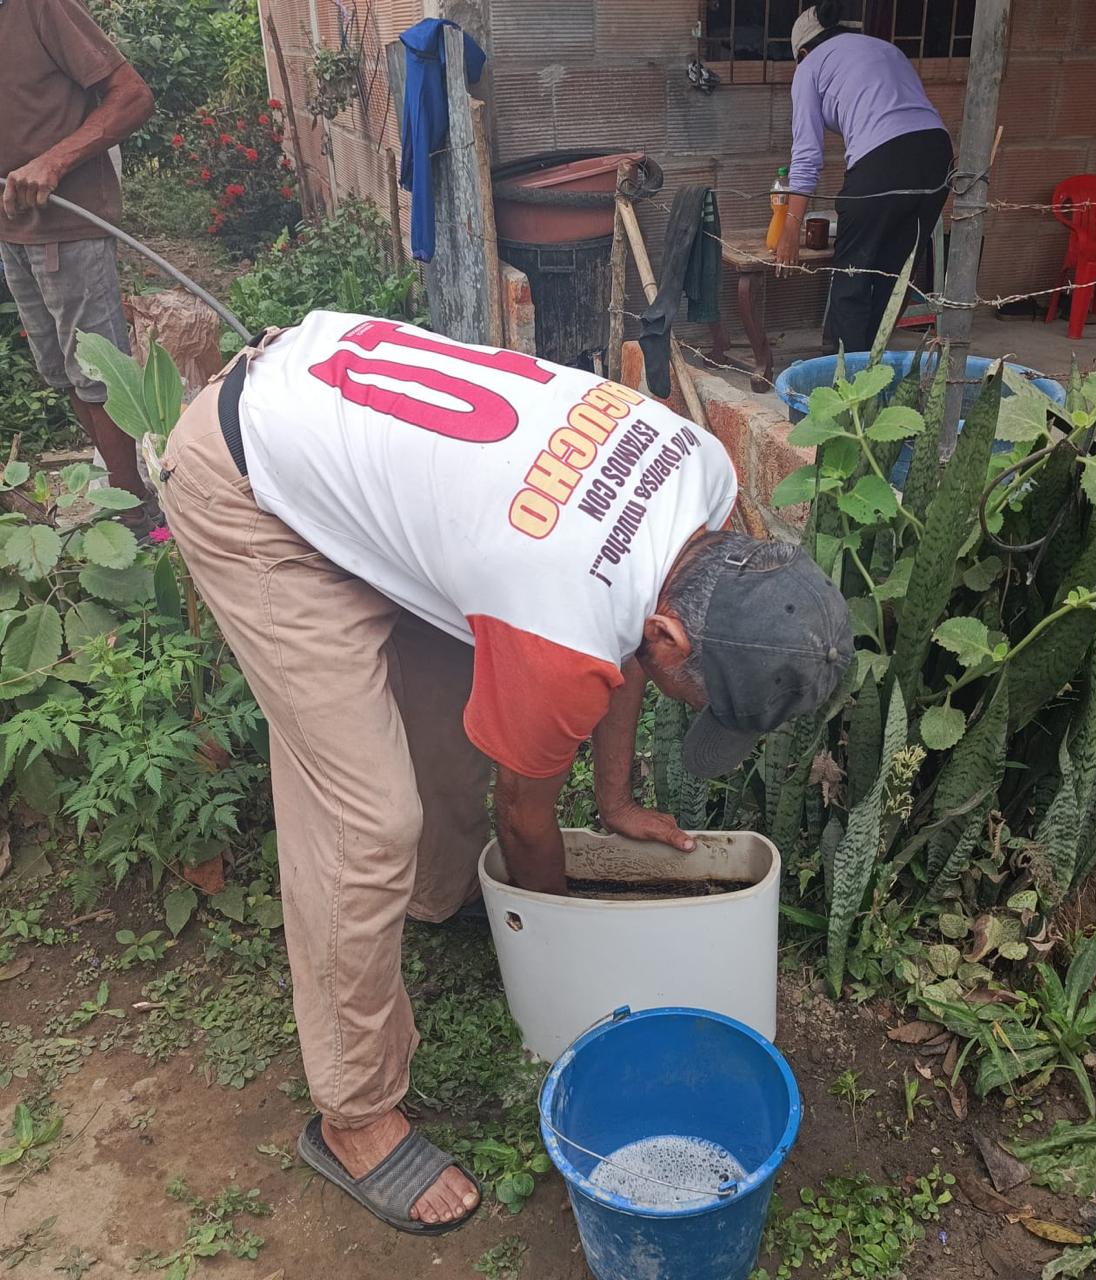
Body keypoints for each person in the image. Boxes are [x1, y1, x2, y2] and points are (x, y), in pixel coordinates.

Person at [160, 311, 854, 1237]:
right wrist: (558, 942)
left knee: (455, 715)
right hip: (251, 488)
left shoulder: (701, 472)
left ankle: (436, 897)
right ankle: (353, 1114)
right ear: (677, 635)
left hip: (350, 424)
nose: (690, 706)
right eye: (700, 698)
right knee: (367, 819)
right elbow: (524, 813)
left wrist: (614, 801)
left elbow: (628, 626)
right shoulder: (559, 622)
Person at [0, 0, 155, 515]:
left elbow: (133, 96)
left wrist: (53, 161)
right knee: (64, 372)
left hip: (68, 225)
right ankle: (121, 494)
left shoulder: (38, 7)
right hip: (12, 231)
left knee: (98, 373)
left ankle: (136, 510)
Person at [775, 1, 953, 354]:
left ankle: (845, 376)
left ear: (803, 52)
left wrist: (791, 228)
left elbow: (807, 154)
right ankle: (872, 365)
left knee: (852, 277)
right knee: (894, 277)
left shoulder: (809, 66)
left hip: (882, 161)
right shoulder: (886, 49)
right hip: (937, 156)